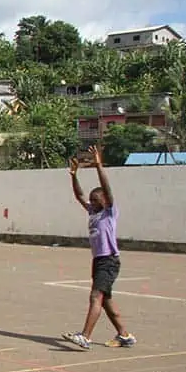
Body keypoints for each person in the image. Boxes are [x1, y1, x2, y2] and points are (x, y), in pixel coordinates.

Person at [63, 146, 136, 350]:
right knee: (105, 300)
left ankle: (85, 336)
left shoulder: (109, 213)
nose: (93, 203)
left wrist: (98, 165)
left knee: (96, 296)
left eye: (97, 200)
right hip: (98, 260)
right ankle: (124, 335)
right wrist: (73, 175)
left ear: (105, 201)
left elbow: (107, 187)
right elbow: (79, 196)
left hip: (109, 260)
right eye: (92, 201)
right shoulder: (93, 213)